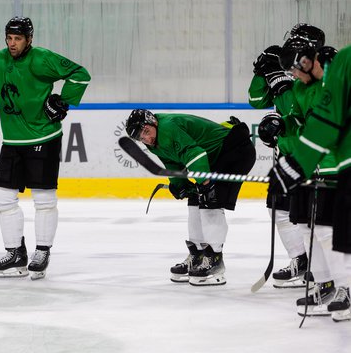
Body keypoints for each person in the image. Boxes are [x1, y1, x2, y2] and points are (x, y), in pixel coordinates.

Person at [0, 17, 90, 280]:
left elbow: (80, 74)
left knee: (44, 198)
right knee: (2, 196)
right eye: (9, 39)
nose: (12, 44)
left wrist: (62, 101)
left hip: (43, 137)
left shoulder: (41, 59)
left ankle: (42, 251)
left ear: (29, 39)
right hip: (12, 140)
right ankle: (15, 253)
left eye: (18, 39)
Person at [125, 109, 256, 286]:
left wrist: (206, 182)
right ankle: (198, 254)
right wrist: (180, 185)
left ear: (153, 122)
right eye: (141, 138)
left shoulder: (168, 128)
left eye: (146, 132)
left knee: (211, 200)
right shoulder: (154, 141)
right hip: (214, 156)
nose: (146, 139)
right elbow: (173, 162)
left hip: (235, 150)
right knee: (195, 198)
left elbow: (193, 153)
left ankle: (215, 259)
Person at [270, 34, 349, 321]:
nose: (292, 76)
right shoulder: (301, 91)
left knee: (329, 229)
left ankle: (347, 288)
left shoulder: (332, 80)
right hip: (311, 164)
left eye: (294, 69)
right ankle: (325, 285)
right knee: (305, 225)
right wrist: (279, 134)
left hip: (334, 164)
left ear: (306, 62)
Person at [249, 42, 308, 288]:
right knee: (278, 207)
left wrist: (283, 89)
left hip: (309, 155)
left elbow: (301, 111)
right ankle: (300, 261)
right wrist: (260, 74)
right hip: (286, 153)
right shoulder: (277, 64)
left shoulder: (310, 70)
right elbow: (255, 100)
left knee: (310, 214)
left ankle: (320, 267)